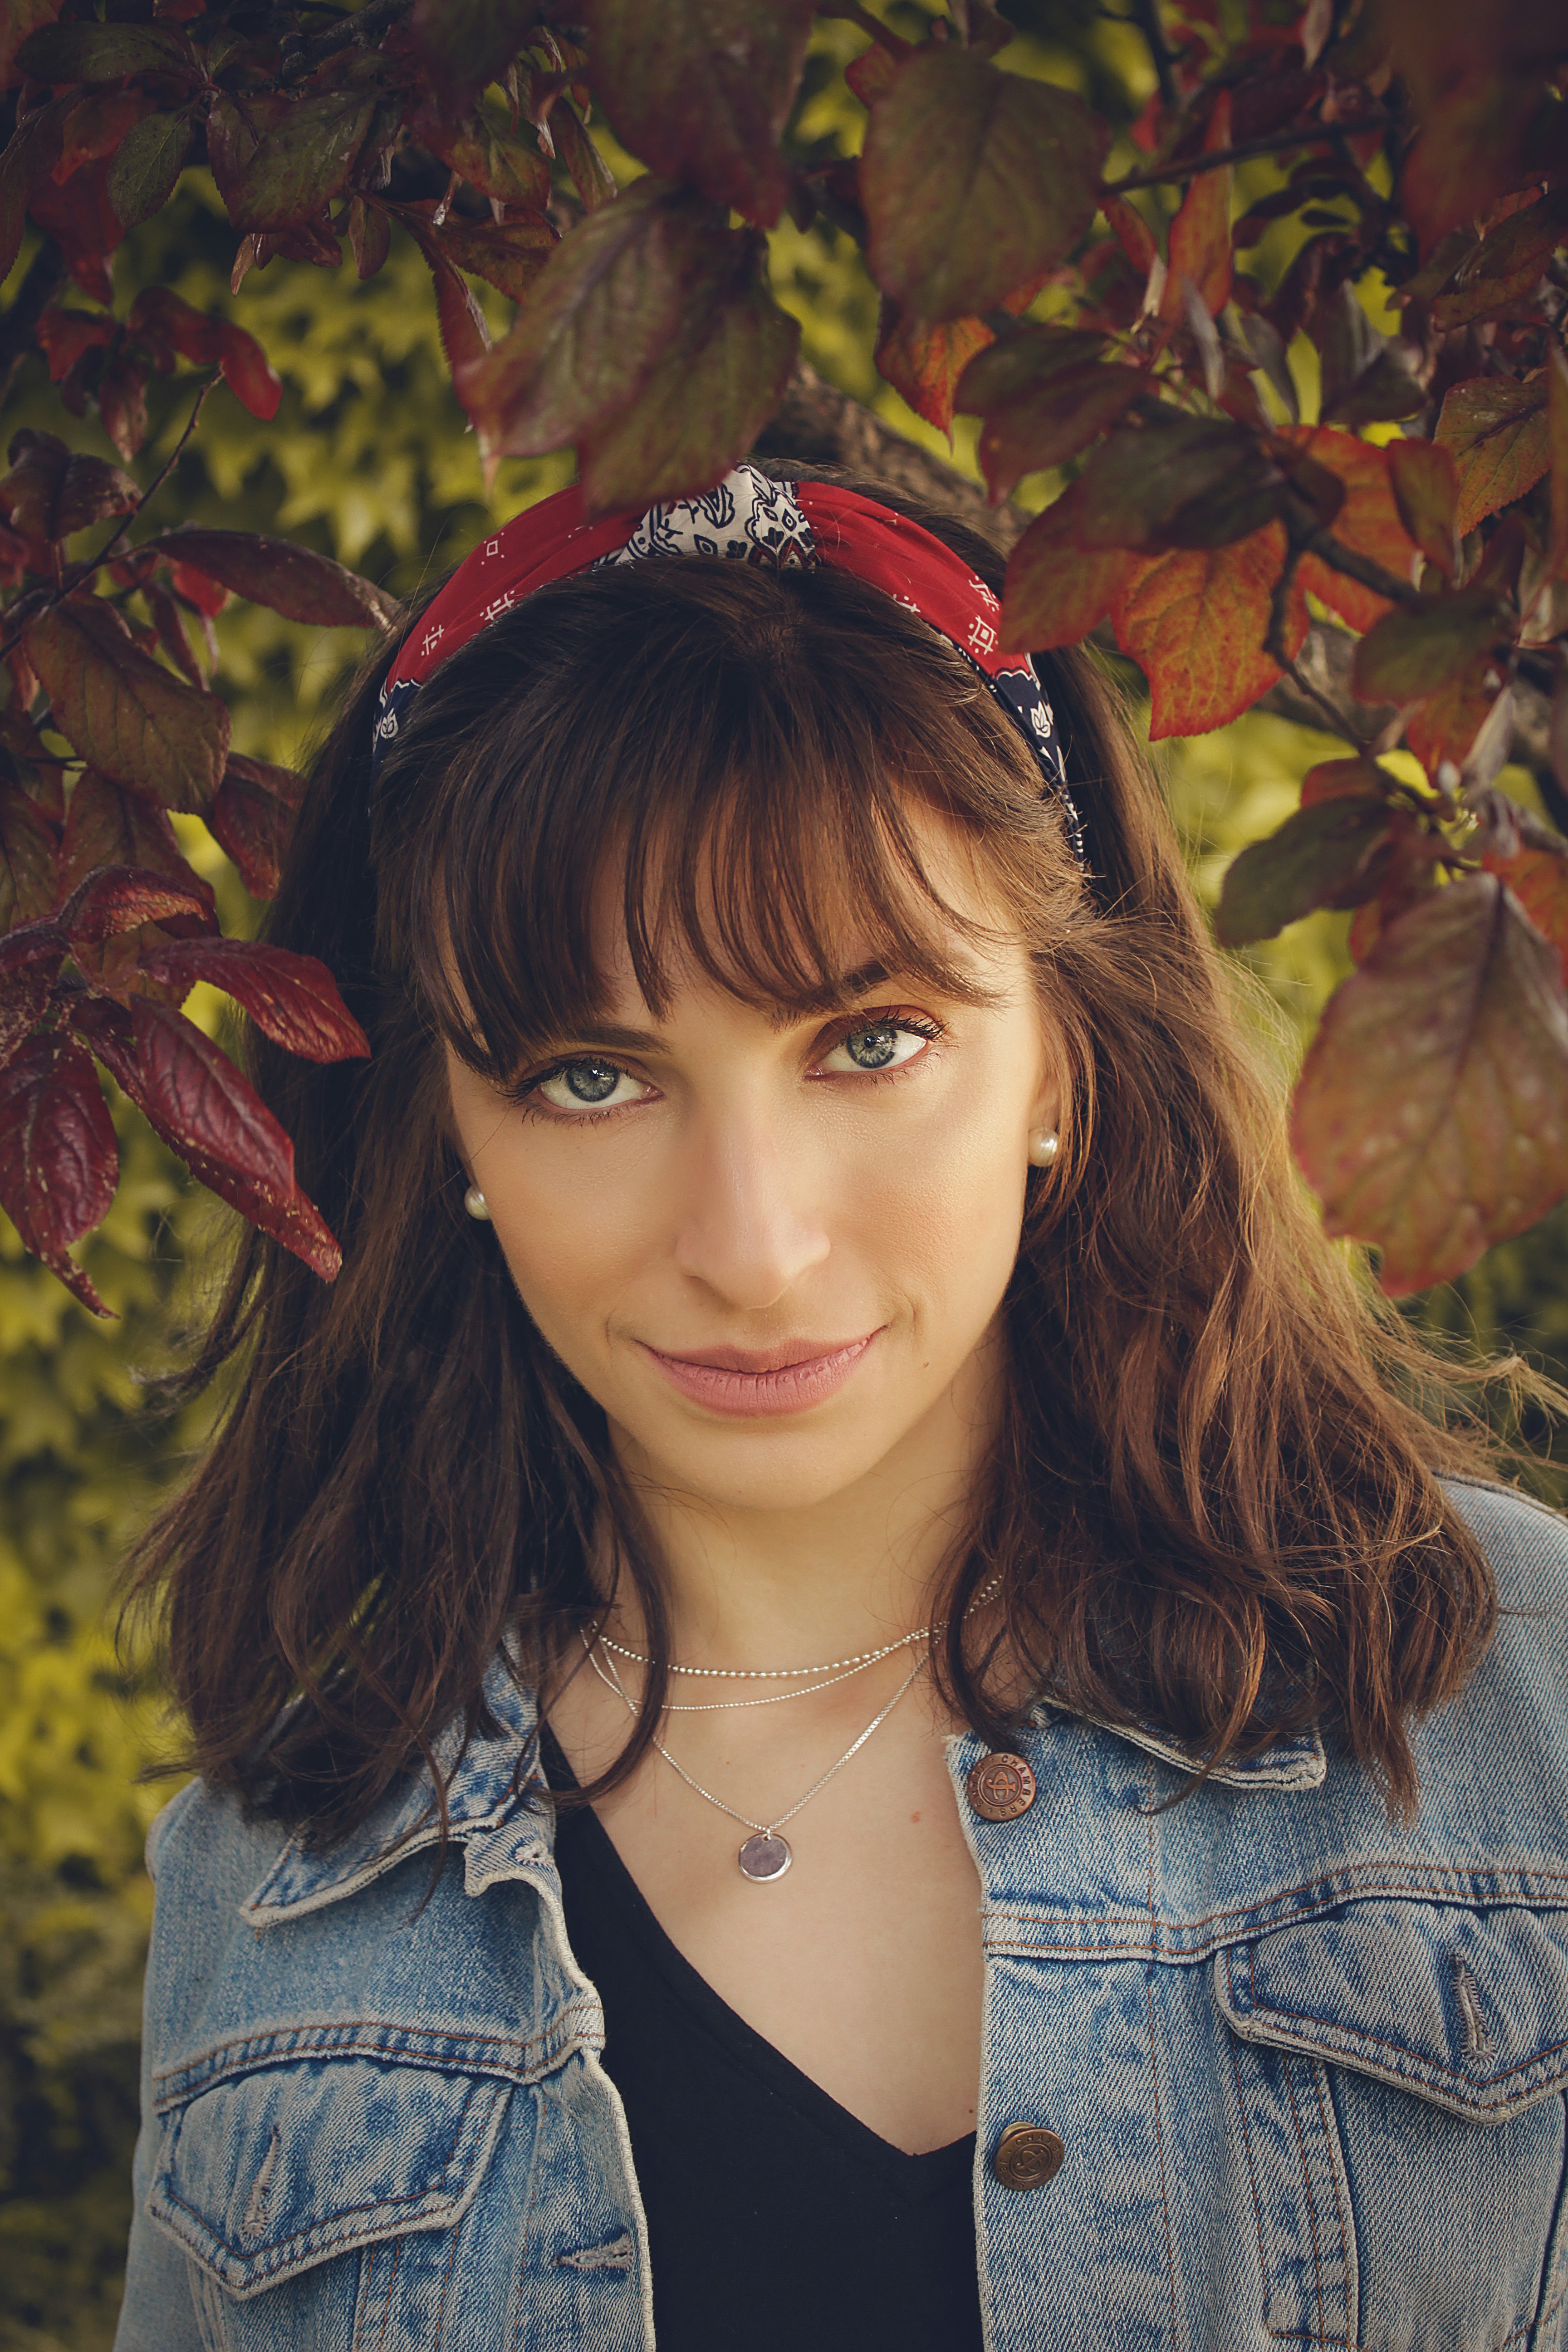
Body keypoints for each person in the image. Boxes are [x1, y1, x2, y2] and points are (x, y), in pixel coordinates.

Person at [113, 458, 1568, 2352]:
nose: (756, 1245)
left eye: (872, 1041)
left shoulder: (1517, 1706)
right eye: (587, 1077)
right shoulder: (272, 1898)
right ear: (447, 1128)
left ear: (1062, 1062)